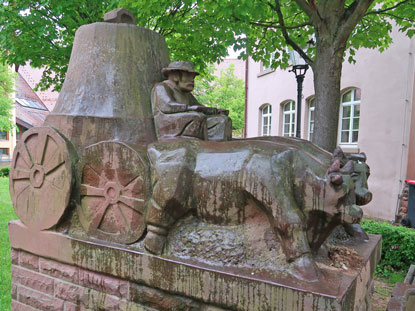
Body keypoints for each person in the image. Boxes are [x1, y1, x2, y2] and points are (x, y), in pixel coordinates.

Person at [151, 61, 232, 141]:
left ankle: (216, 147)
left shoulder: (187, 94)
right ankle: (195, 142)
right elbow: (167, 106)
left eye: (193, 78)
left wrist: (215, 111)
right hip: (168, 125)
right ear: (175, 75)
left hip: (186, 120)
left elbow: (200, 107)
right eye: (188, 76)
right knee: (197, 116)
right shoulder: (161, 87)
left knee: (221, 120)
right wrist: (190, 108)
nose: (192, 80)